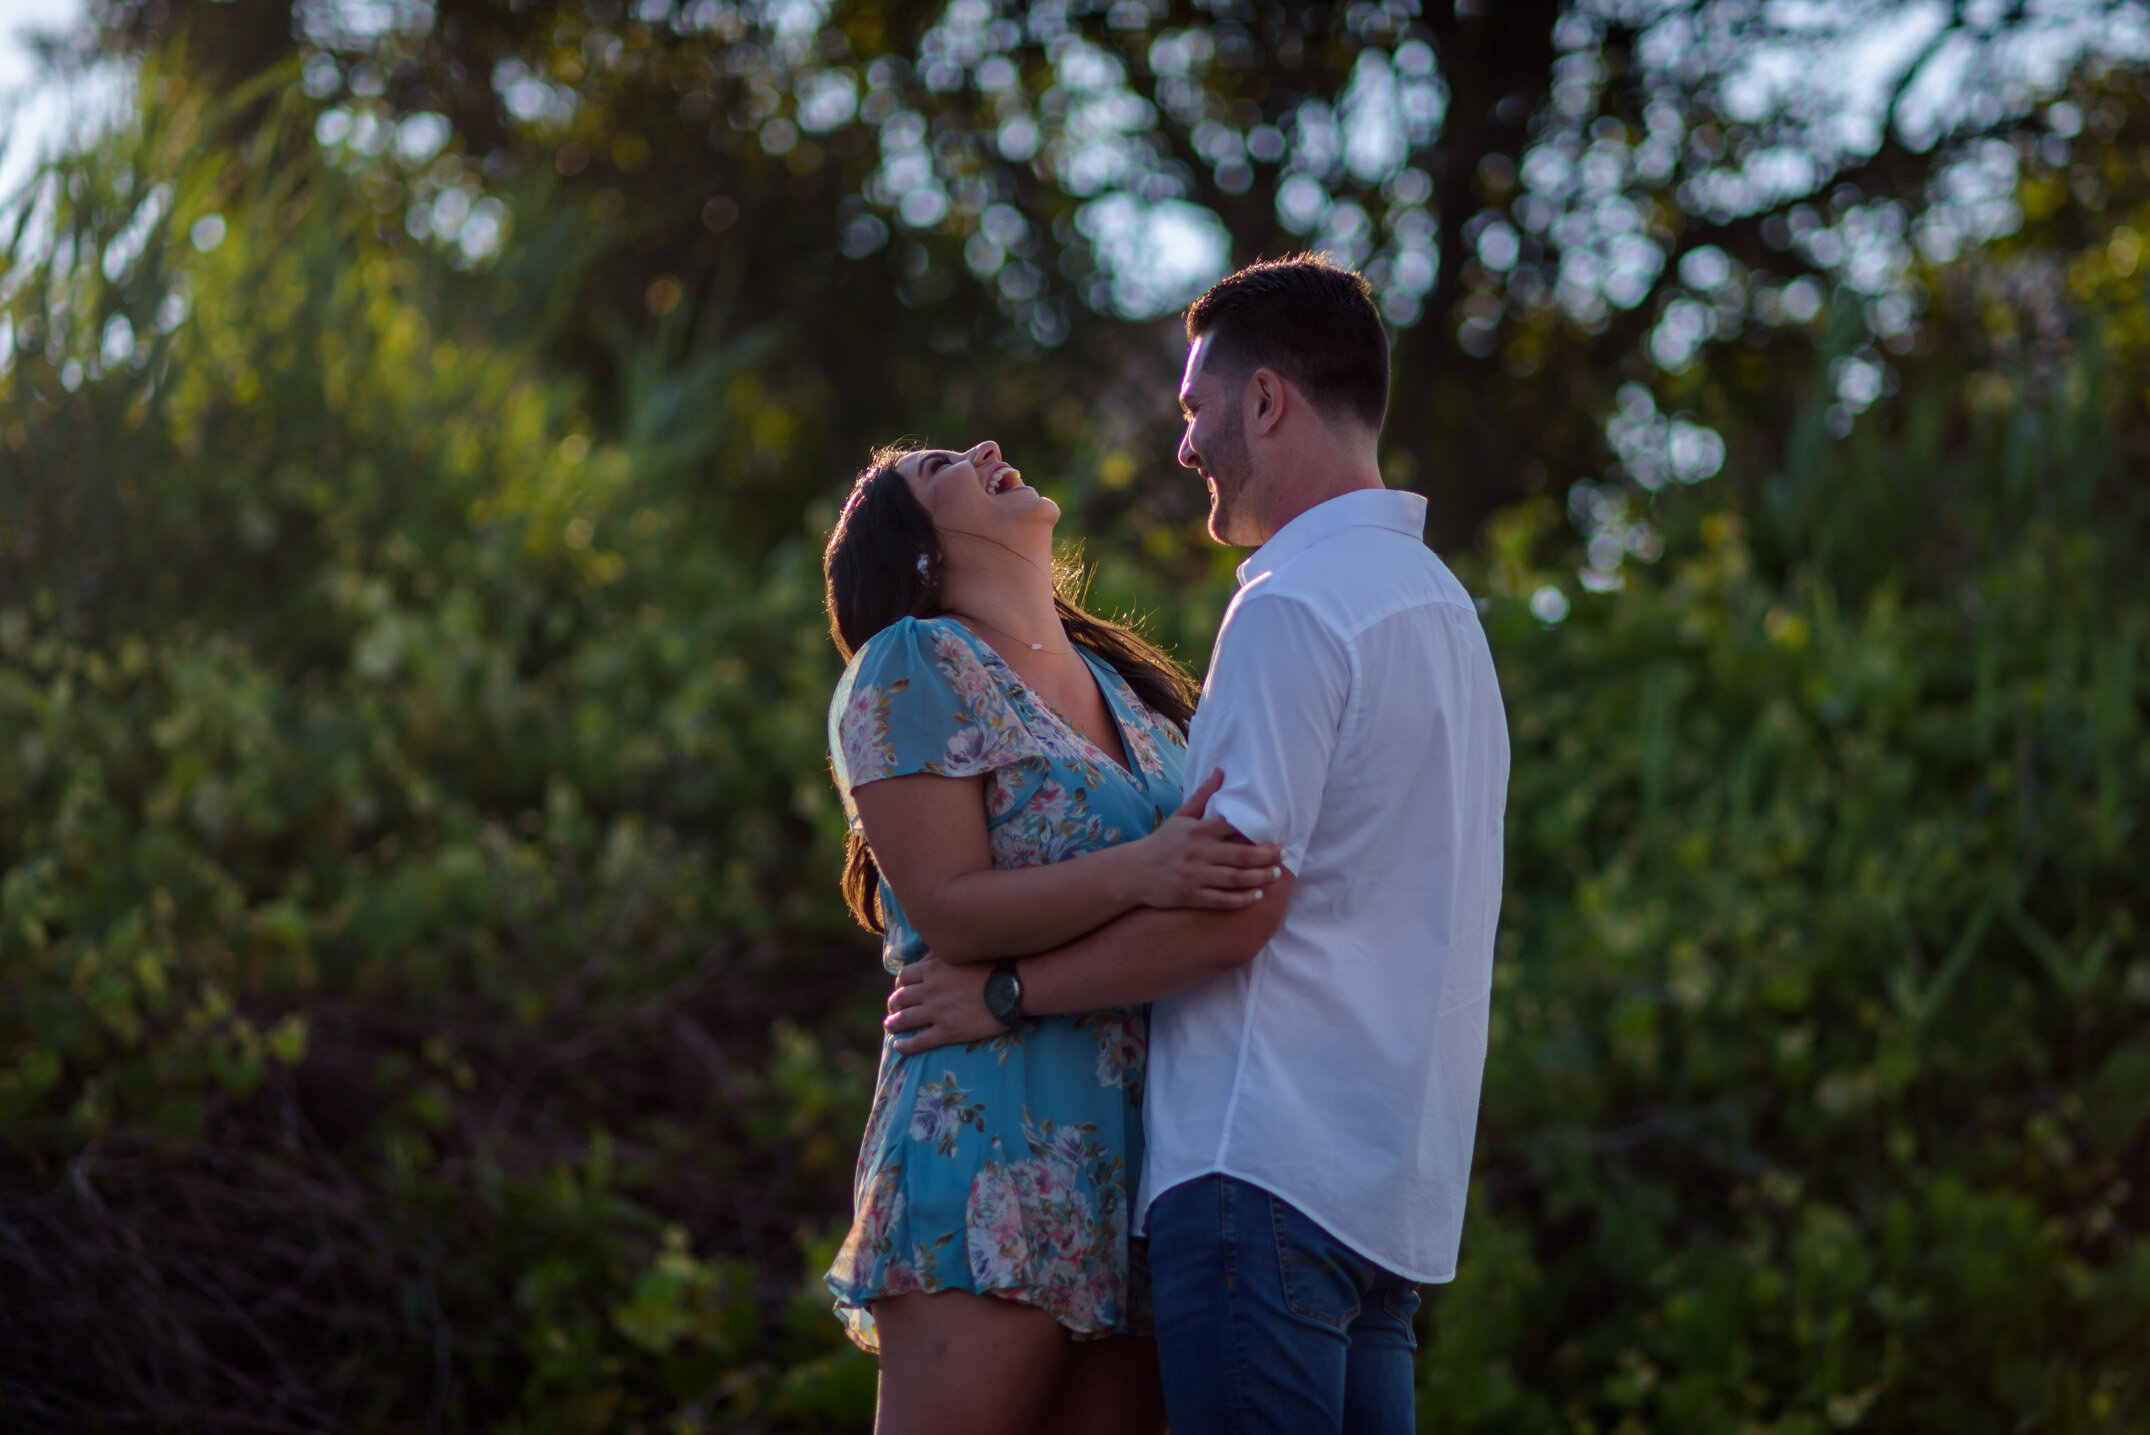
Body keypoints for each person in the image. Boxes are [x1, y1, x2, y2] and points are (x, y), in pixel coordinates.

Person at [885, 255, 1512, 1433]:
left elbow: (1231, 906)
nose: (1185, 447)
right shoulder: (1442, 613)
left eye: (1194, 411)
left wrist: (1010, 992)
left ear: (1265, 402)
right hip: (1392, 1192)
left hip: (1258, 1168)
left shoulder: (1288, 605)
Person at [819, 437, 1288, 1435]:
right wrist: (1140, 868)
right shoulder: (915, 659)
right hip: (990, 1142)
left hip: (1137, 1172)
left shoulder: (1137, 695)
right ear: (919, 555)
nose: (986, 448)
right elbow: (946, 904)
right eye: (942, 465)